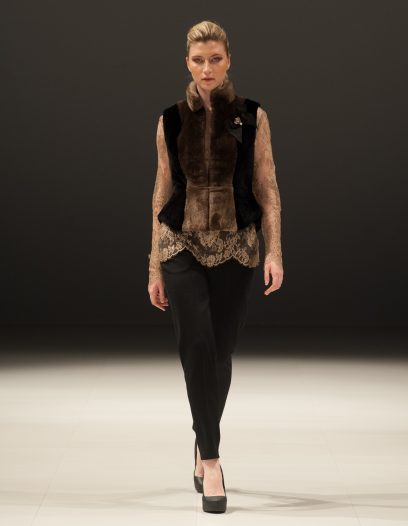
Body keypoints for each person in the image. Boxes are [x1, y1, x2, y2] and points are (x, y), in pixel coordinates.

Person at [147, 20, 284, 513]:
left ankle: (201, 435)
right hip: (179, 243)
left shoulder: (252, 116)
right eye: (199, 60)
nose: (207, 69)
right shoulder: (170, 119)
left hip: (236, 246)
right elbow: (162, 191)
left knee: (221, 353)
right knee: (196, 346)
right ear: (187, 63)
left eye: (216, 59)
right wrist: (154, 266)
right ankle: (211, 460)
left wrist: (274, 251)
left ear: (229, 61)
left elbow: (267, 187)